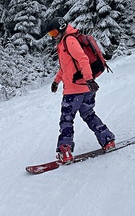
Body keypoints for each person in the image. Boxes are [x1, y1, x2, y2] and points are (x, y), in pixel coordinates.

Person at [46, 17, 115, 164]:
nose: (53, 36)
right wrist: (56, 81)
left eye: (53, 33)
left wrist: (89, 79)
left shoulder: (69, 41)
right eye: (50, 35)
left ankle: (65, 151)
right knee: (89, 114)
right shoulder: (67, 41)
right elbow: (65, 67)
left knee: (66, 119)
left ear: (61, 27)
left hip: (74, 90)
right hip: (86, 89)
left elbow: (83, 59)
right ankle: (107, 139)